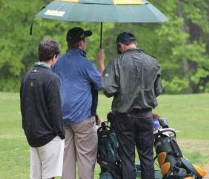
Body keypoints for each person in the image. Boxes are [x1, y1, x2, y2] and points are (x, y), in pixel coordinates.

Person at [102, 32, 163, 179]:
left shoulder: (116, 63)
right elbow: (158, 90)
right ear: (134, 43)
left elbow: (108, 90)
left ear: (121, 45)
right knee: (147, 157)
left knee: (127, 158)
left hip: (124, 118)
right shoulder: (152, 62)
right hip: (146, 116)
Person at [52, 27, 105, 179]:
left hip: (62, 118)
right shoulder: (86, 63)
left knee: (66, 160)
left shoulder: (58, 61)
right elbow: (102, 85)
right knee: (86, 159)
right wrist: (101, 62)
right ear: (81, 43)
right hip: (82, 119)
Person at [20, 39, 65, 179]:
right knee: (49, 176)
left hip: (32, 134)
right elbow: (55, 109)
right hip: (49, 136)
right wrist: (61, 133)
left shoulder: (27, 76)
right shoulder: (52, 78)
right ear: (54, 57)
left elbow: (23, 106)